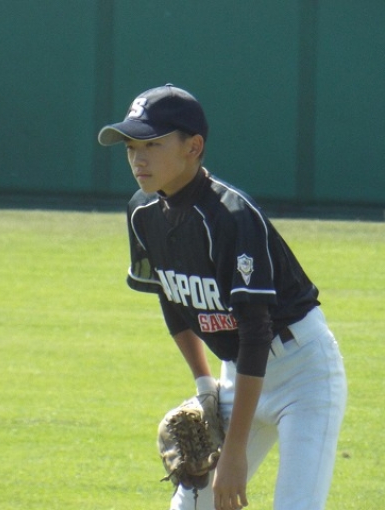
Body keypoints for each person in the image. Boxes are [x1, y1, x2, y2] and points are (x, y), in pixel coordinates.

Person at [97, 84, 347, 510]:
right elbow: (172, 298)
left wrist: (233, 454)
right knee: (191, 506)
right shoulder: (142, 212)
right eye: (131, 146)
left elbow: (255, 331)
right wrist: (204, 385)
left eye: (153, 144)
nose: (138, 158)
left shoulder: (232, 217)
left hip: (302, 373)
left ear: (193, 147)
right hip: (239, 374)